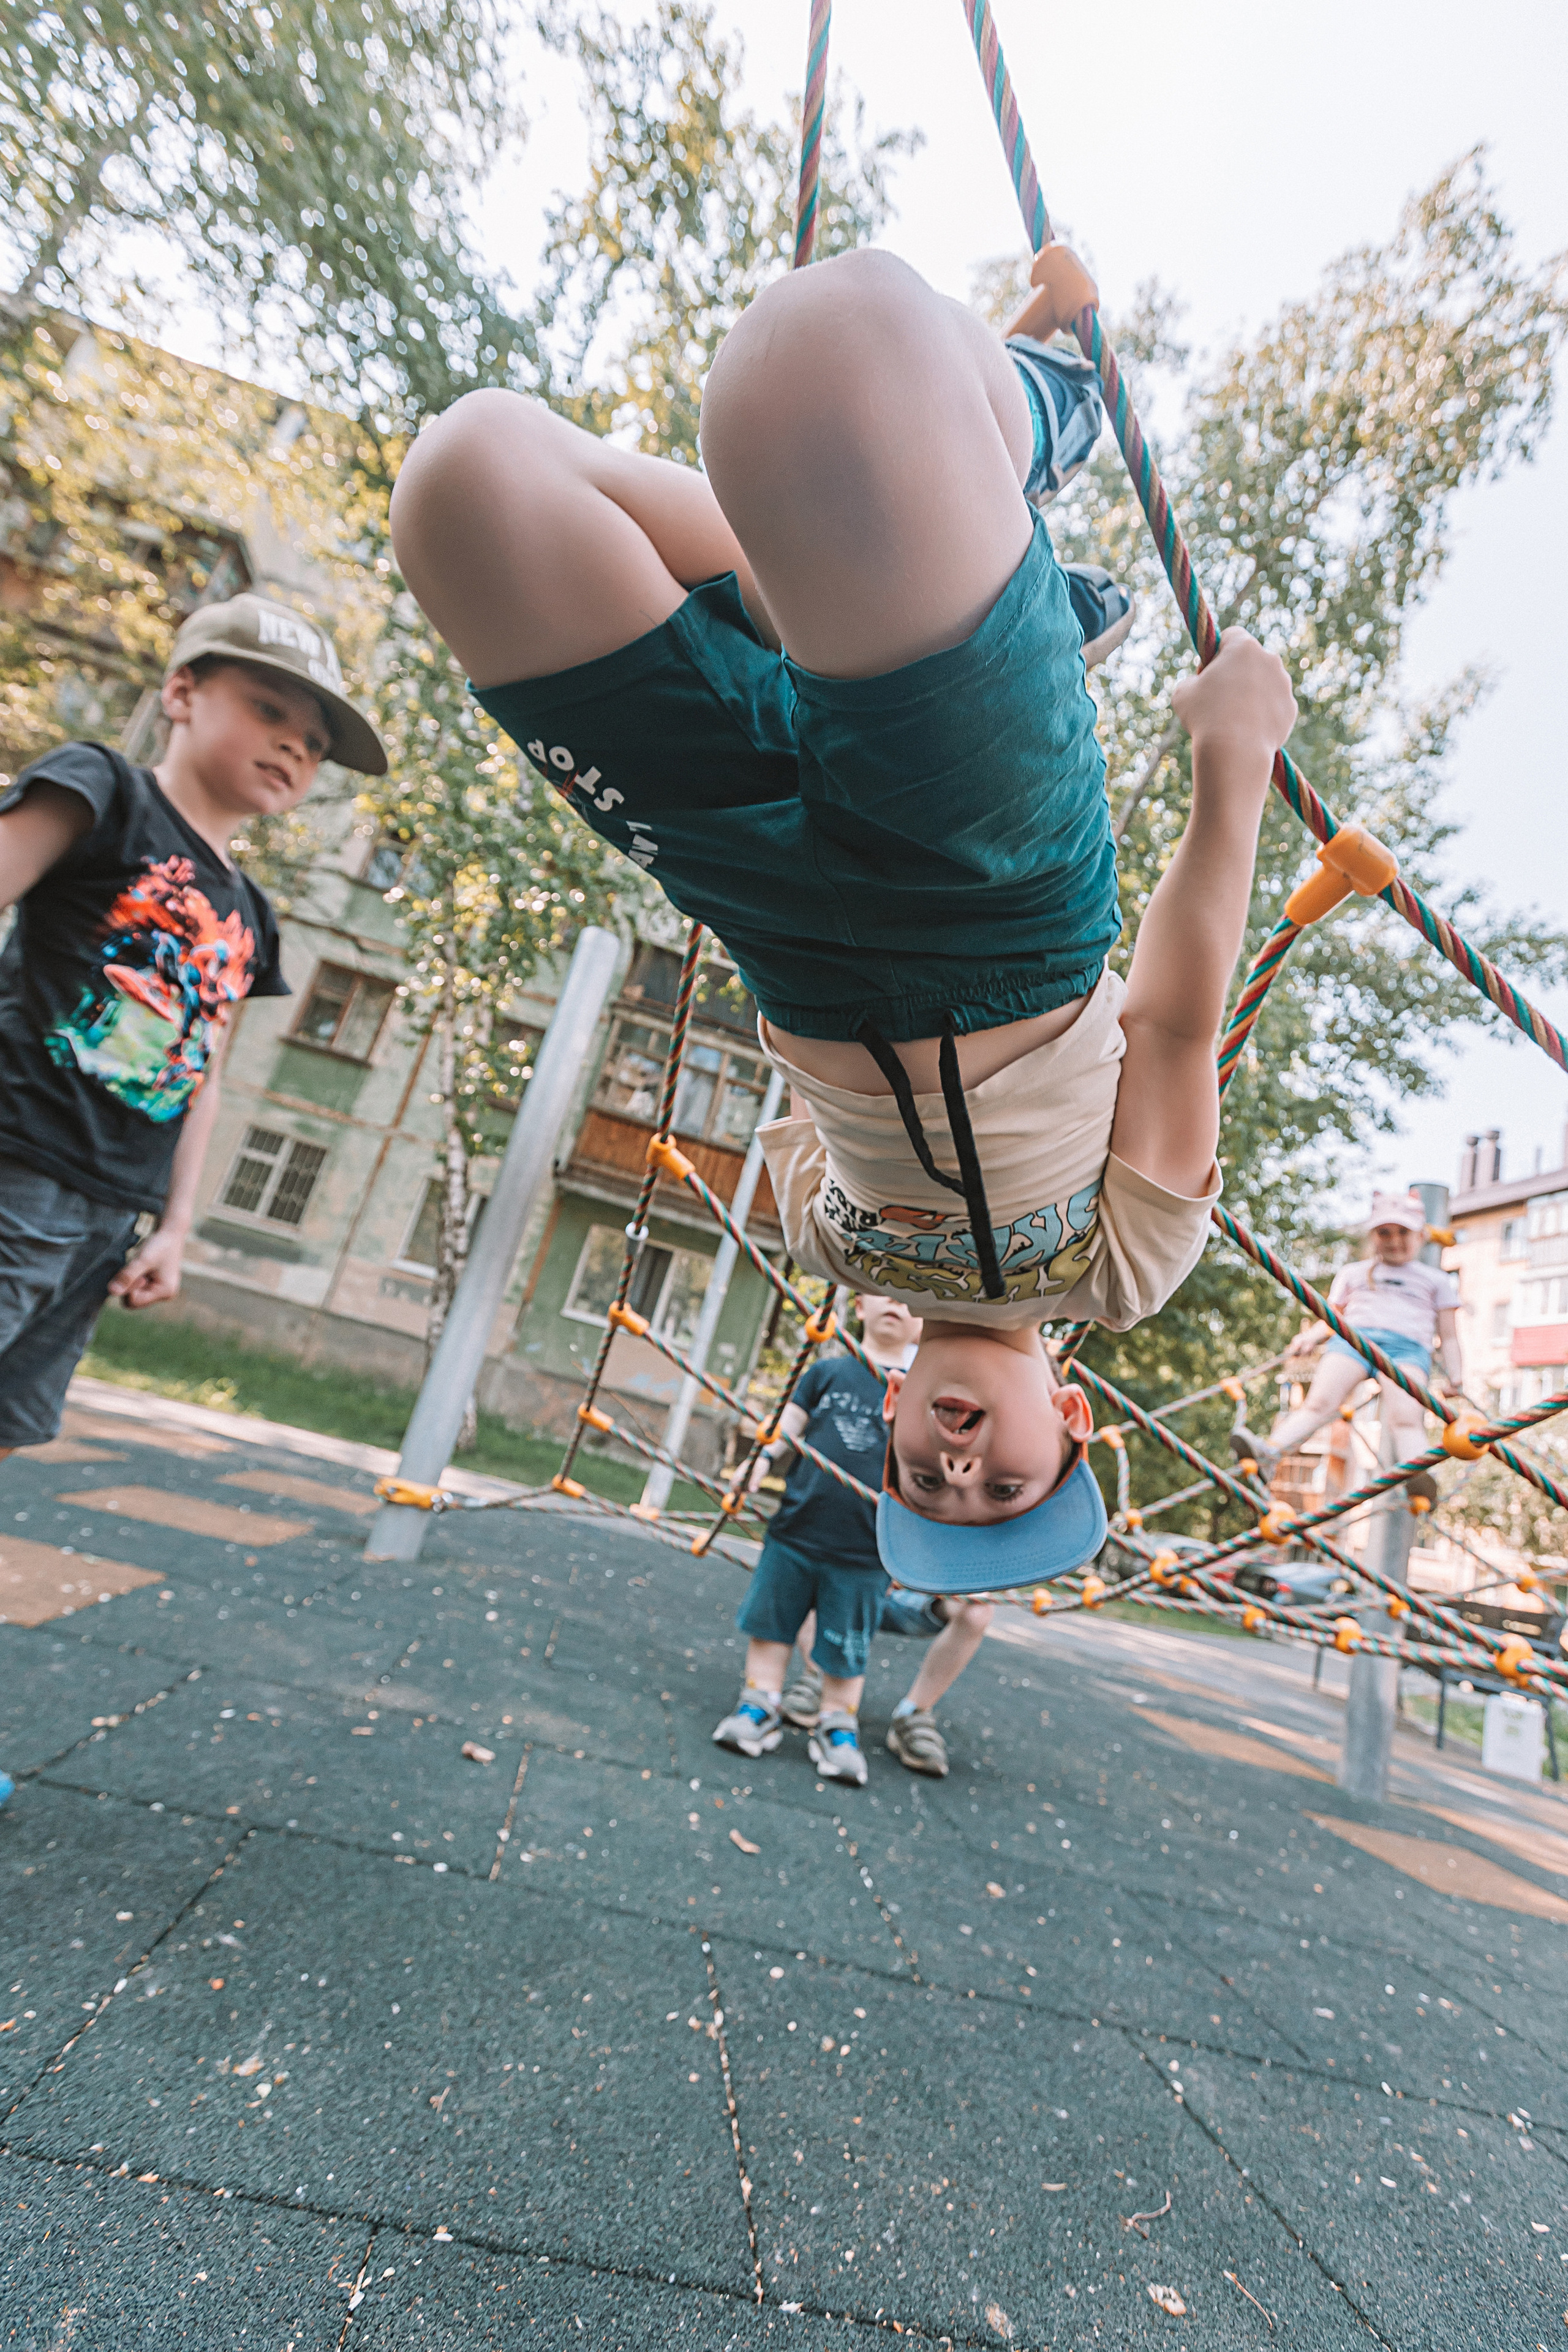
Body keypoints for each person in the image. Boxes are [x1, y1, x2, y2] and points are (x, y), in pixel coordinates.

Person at [389, 244, 1298, 1587]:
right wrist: (1231, 768)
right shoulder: (1120, 1270)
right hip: (989, 897)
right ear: (1075, 1422)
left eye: (928, 1483)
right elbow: (1168, 1025)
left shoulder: (820, 1235)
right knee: (819, 350)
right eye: (1003, 1483)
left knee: (465, 487)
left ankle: (969, 567)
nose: (956, 1464)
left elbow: (813, 1090)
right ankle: (1031, 413)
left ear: (883, 1429)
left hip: (769, 911)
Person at [0, 594, 386, 1458]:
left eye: (316, 744)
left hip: (111, 1220)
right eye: (268, 710)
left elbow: (199, 1074)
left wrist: (175, 1228)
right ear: (180, 692)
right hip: (17, 1164)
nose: (295, 744)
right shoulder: (103, 791)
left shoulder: (252, 913)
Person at [709, 1294, 921, 1784]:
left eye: (910, 1299)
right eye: (882, 1291)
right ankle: (759, 1705)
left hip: (866, 1550)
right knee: (772, 1625)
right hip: (796, 1531)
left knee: (848, 1647)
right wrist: (756, 1464)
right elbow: (785, 1429)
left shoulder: (920, 1392)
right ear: (859, 1307)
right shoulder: (826, 1373)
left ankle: (837, 1725)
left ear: (924, 1324)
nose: (895, 1300)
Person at [1234, 1189, 1462, 1482]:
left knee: (1407, 1418)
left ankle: (1419, 1475)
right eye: (1384, 1233)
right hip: (1354, 1341)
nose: (1393, 1241)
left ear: (1420, 1236)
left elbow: (1450, 1336)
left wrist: (1456, 1375)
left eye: (1403, 1232)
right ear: (1373, 1237)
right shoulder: (1354, 1273)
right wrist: (1310, 1338)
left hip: (1407, 1350)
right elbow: (1332, 1317)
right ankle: (1270, 1452)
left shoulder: (1436, 1280)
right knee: (1319, 1403)